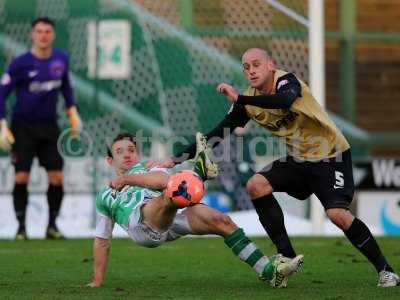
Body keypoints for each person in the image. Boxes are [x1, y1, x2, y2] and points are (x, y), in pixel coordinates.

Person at [150, 48, 399, 287]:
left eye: (256, 65)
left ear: (271, 65)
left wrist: (240, 97)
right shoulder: (248, 101)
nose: (251, 71)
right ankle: (286, 254)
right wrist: (174, 159)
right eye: (246, 67)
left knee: (337, 215)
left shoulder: (286, 82)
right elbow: (217, 133)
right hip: (299, 160)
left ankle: (386, 271)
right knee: (256, 185)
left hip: (331, 156)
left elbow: (285, 99)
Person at [87, 132, 303, 288]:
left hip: (173, 212)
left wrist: (128, 179)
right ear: (109, 160)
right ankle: (198, 174)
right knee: (173, 192)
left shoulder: (150, 168)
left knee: (222, 221)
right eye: (120, 151)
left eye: (131, 150)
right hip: (144, 225)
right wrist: (97, 280)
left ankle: (269, 272)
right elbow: (102, 239)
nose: (127, 155)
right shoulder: (105, 196)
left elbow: (164, 180)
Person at [0, 17, 82, 240]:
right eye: (39, 31)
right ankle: (21, 228)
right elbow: (2, 92)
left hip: (49, 127)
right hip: (23, 127)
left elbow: (65, 86)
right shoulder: (20, 63)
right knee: (21, 177)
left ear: (53, 35)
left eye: (47, 31)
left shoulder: (61, 59)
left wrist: (72, 111)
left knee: (56, 177)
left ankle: (52, 226)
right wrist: (2, 122)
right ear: (32, 35)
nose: (43, 35)